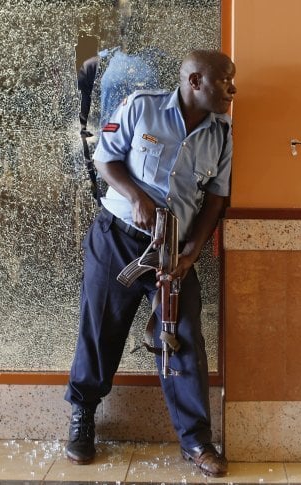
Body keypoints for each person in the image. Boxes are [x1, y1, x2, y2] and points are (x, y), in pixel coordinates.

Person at [64, 49, 236, 478]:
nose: (233, 89)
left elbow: (217, 197)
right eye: (225, 81)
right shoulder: (142, 106)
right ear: (195, 81)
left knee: (183, 339)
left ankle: (195, 440)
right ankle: (83, 417)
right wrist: (137, 198)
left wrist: (193, 251)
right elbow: (106, 157)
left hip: (174, 251)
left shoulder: (222, 134)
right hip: (119, 238)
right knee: (101, 329)